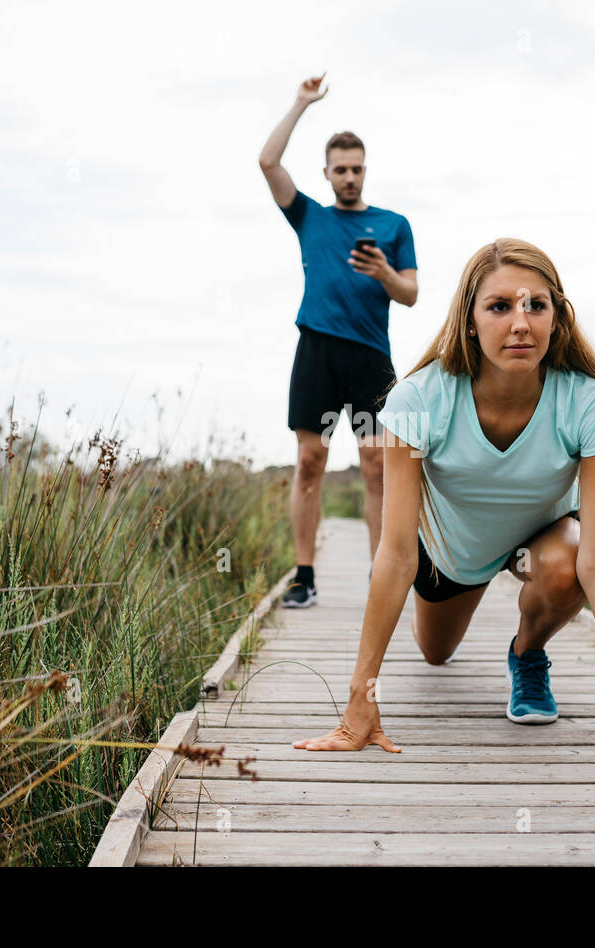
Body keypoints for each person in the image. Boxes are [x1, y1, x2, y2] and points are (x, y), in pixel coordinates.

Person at [293, 238, 595, 754]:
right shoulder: (420, 399)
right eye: (500, 306)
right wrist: (360, 699)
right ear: (470, 319)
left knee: (569, 560)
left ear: (558, 318)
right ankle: (448, 618)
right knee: (436, 653)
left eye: (536, 305)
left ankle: (527, 655)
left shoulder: (592, 403)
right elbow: (396, 554)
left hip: (543, 540)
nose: (520, 323)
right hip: (451, 557)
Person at [259, 74, 419, 608]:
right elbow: (267, 162)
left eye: (356, 168)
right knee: (310, 461)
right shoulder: (309, 216)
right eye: (339, 169)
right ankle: (304, 573)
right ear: (326, 174)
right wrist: (301, 103)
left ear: (364, 170)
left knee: (377, 462)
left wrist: (383, 274)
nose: (348, 177)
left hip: (371, 356)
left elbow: (412, 294)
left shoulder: (393, 226)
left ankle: (383, 573)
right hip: (318, 350)